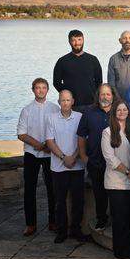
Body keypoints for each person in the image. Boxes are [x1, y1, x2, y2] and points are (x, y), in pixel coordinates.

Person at [17, 77, 59, 236]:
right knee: (29, 189)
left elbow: (58, 130)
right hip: (31, 153)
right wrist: (38, 145)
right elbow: (21, 133)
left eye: (43, 87)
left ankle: (53, 221)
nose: (41, 90)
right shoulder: (27, 110)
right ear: (33, 90)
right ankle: (30, 224)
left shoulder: (54, 108)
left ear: (47, 89)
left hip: (49, 154)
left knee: (52, 188)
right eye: (37, 88)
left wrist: (49, 146)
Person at [45, 90, 88, 243]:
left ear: (73, 101)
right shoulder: (51, 118)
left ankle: (76, 229)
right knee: (59, 201)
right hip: (58, 167)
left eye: (68, 100)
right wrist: (64, 157)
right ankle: (61, 231)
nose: (65, 103)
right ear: (59, 102)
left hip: (77, 166)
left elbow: (83, 140)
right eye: (63, 100)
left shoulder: (80, 117)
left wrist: (74, 157)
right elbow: (50, 142)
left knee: (78, 201)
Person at [101, 100, 130, 259]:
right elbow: (110, 158)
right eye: (119, 110)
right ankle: (120, 253)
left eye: (124, 109)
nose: (122, 112)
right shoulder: (107, 132)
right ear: (114, 112)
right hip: (116, 182)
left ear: (128, 111)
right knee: (120, 219)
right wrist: (128, 171)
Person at [78, 83, 118, 231]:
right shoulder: (89, 112)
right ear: (98, 96)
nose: (105, 97)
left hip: (116, 161)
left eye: (108, 94)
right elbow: (81, 135)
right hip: (95, 161)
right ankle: (101, 219)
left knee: (116, 193)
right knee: (99, 193)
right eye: (102, 94)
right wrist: (83, 156)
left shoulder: (119, 111)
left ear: (113, 96)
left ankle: (117, 220)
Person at [53, 30, 102, 113]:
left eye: (79, 39)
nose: (77, 43)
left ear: (83, 40)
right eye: (73, 40)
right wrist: (67, 96)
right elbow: (56, 83)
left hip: (91, 105)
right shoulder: (62, 61)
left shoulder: (93, 60)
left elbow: (99, 82)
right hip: (71, 106)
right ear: (69, 42)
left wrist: (95, 98)